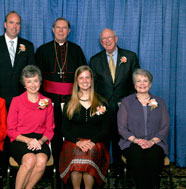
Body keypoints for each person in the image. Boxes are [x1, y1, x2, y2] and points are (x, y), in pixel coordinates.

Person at [0, 11, 35, 177]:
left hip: (21, 101)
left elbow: (32, 73)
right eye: (11, 23)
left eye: (18, 23)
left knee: (19, 135)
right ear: (5, 24)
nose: (15, 26)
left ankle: (17, 171)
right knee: (0, 134)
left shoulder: (28, 45)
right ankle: (1, 170)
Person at [35, 17, 87, 179]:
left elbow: (83, 75)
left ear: (69, 31)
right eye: (58, 27)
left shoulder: (76, 50)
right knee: (53, 133)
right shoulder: (43, 50)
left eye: (64, 28)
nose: (61, 31)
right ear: (53, 29)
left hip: (72, 99)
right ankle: (53, 170)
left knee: (71, 132)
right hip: (49, 99)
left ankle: (73, 168)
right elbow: (37, 77)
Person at [89, 28, 140, 171]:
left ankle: (120, 170)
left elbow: (137, 82)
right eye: (104, 39)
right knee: (103, 140)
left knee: (122, 140)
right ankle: (102, 170)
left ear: (116, 39)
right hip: (103, 107)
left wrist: (128, 102)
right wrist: (98, 104)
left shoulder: (130, 57)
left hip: (125, 106)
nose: (107, 41)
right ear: (101, 42)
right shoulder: (95, 60)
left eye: (109, 38)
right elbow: (93, 86)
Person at [59, 65, 110, 188]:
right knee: (77, 155)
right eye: (81, 78)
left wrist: (92, 142)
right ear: (77, 81)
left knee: (90, 156)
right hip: (73, 143)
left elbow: (106, 129)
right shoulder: (70, 102)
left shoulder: (101, 102)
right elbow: (64, 129)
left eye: (87, 78)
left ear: (92, 80)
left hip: (95, 143)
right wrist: (78, 142)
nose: (85, 81)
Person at [117, 69, 170, 189]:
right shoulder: (126, 102)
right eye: (138, 81)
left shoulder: (160, 102)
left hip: (155, 143)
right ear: (134, 84)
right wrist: (137, 140)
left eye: (145, 81)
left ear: (150, 84)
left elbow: (165, 127)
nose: (142, 84)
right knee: (137, 159)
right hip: (131, 143)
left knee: (154, 158)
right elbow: (122, 128)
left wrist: (151, 141)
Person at [7, 65, 55, 189]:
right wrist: (29, 140)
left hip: (40, 141)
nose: (33, 85)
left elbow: (50, 129)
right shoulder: (16, 101)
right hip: (20, 140)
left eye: (35, 80)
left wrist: (39, 141)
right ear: (24, 83)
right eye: (29, 81)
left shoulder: (47, 102)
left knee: (41, 161)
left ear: (40, 81)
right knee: (29, 159)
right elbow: (11, 130)